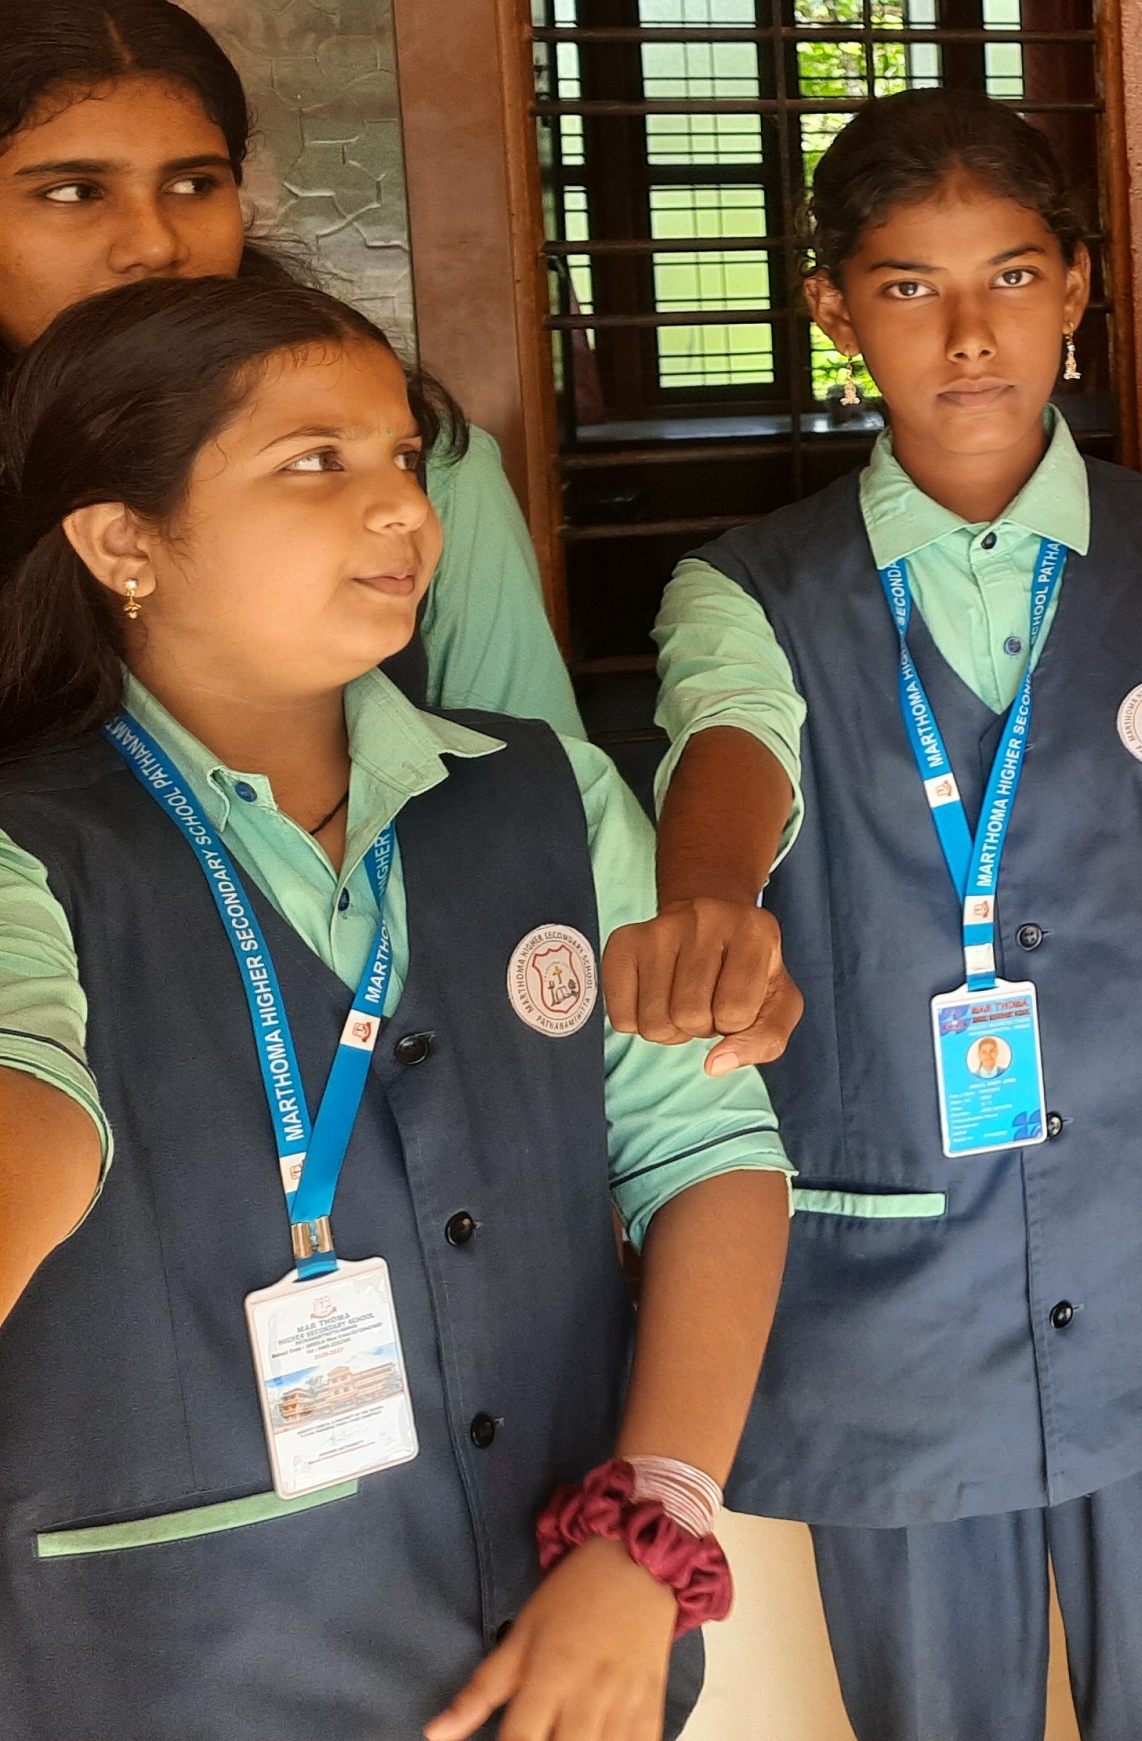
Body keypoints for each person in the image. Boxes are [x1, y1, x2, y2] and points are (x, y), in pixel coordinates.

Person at [635, 90, 1142, 1741]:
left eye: (1013, 277)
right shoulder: (748, 588)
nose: (969, 334)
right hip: (896, 1305)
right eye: (908, 287)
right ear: (831, 308)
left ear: (1077, 283)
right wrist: (709, 895)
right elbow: (731, 738)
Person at [0, 276, 790, 1740]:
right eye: (316, 461)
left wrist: (653, 1527)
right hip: (175, 1673)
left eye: (403, 458)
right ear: (122, 541)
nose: (404, 512)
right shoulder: (28, 851)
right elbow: (24, 1099)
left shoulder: (546, 795)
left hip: (567, 1658)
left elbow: (709, 1154)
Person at [0, 0, 588, 737]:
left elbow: (541, 784)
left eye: (193, 184)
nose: (155, 243)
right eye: (74, 192)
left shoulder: (421, 468)